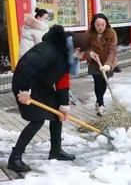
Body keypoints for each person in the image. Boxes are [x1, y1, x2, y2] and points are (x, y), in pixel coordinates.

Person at [8, 25, 91, 172]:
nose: (82, 58)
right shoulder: (50, 50)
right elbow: (26, 66)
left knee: (57, 114)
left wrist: (64, 106)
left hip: (41, 86)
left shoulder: (66, 55)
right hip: (26, 83)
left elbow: (63, 82)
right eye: (83, 55)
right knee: (37, 119)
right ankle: (15, 158)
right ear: (77, 50)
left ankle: (56, 151)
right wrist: (24, 90)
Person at [87, 13, 118, 116]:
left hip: (106, 62)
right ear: (94, 25)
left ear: (106, 24)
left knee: (104, 82)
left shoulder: (112, 33)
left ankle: (99, 101)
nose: (100, 27)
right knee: (97, 82)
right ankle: (101, 104)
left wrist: (108, 65)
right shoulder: (89, 34)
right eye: (98, 25)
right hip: (94, 63)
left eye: (103, 25)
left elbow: (112, 50)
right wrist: (90, 53)